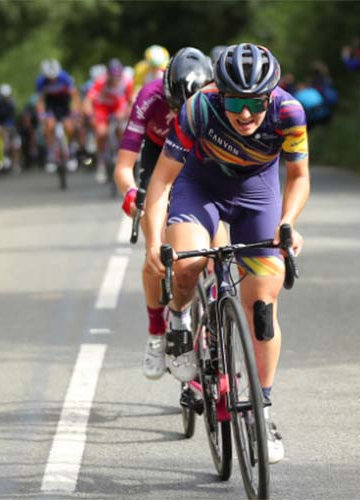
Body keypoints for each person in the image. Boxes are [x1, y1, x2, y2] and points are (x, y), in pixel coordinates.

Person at [143, 43, 309, 463]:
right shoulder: (199, 109)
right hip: (201, 185)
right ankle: (181, 316)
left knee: (263, 306)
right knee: (190, 261)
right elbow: (161, 183)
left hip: (257, 192)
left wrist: (287, 222)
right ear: (220, 92)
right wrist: (151, 244)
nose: (246, 113)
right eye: (235, 101)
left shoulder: (289, 113)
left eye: (255, 103)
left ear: (271, 95)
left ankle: (262, 409)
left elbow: (299, 176)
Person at [113, 47, 218, 362]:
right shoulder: (149, 95)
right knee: (156, 254)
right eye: (176, 107)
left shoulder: (216, 98)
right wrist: (133, 194)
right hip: (159, 156)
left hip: (199, 157)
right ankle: (157, 331)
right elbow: (123, 166)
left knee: (218, 240)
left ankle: (214, 311)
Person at [83, 58, 134, 183]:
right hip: (102, 108)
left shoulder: (127, 81)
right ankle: (101, 161)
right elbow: (88, 102)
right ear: (108, 75)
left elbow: (131, 101)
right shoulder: (101, 81)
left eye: (118, 77)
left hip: (118, 106)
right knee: (101, 133)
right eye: (113, 77)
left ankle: (122, 158)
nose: (116, 80)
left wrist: (130, 113)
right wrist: (90, 116)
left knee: (122, 130)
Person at [36, 59, 80, 173]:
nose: (53, 79)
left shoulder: (65, 78)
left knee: (70, 127)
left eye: (54, 77)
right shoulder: (41, 81)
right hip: (51, 105)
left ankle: (71, 151)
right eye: (50, 78)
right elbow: (40, 100)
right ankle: (51, 154)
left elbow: (75, 96)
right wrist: (41, 113)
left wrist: (75, 110)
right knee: (49, 127)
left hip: (64, 103)